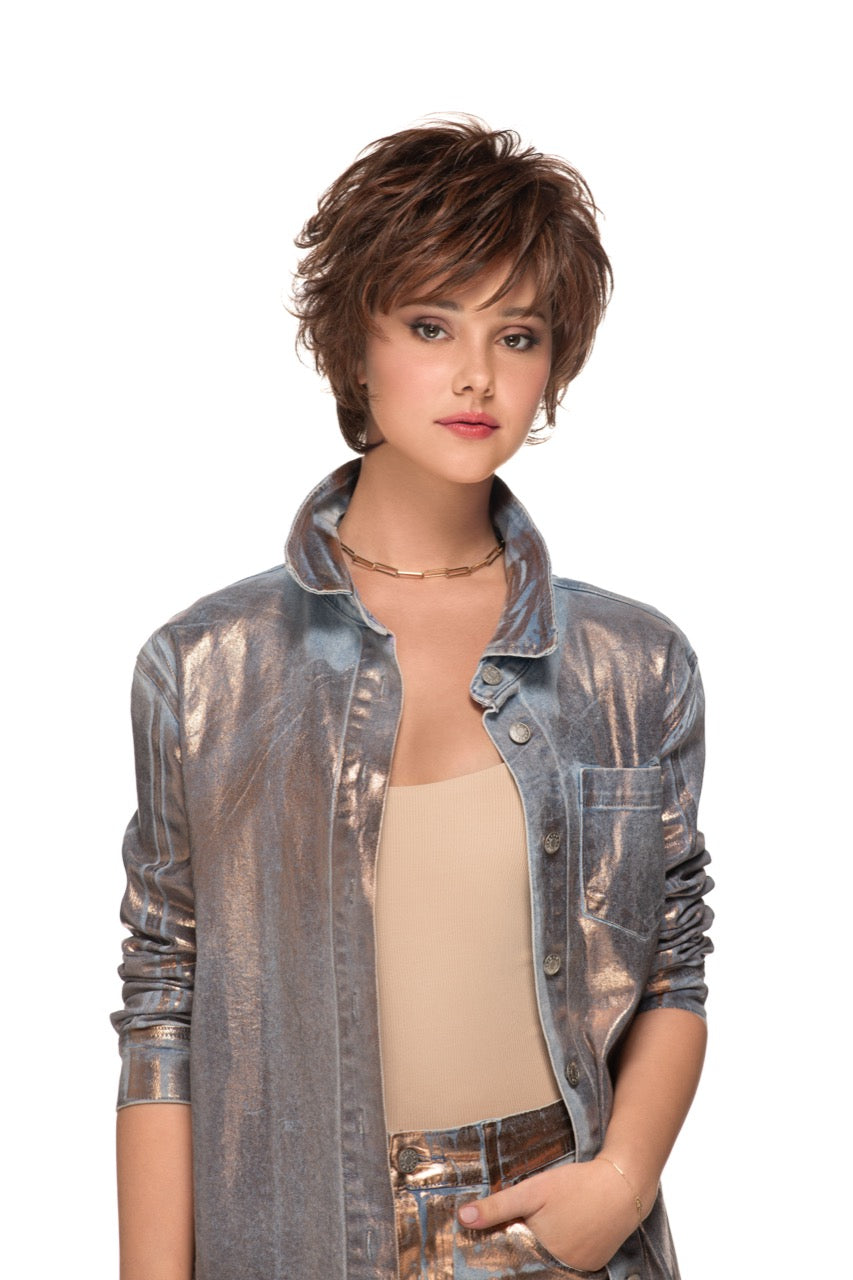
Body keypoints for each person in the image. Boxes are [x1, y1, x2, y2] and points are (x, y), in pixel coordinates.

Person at [113, 118, 712, 1280]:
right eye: (432, 325)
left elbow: (672, 963)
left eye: (517, 334)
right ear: (355, 345)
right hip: (299, 1234)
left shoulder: (634, 663)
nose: (477, 374)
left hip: (558, 1234)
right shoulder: (205, 667)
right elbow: (161, 1007)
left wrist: (621, 1181)